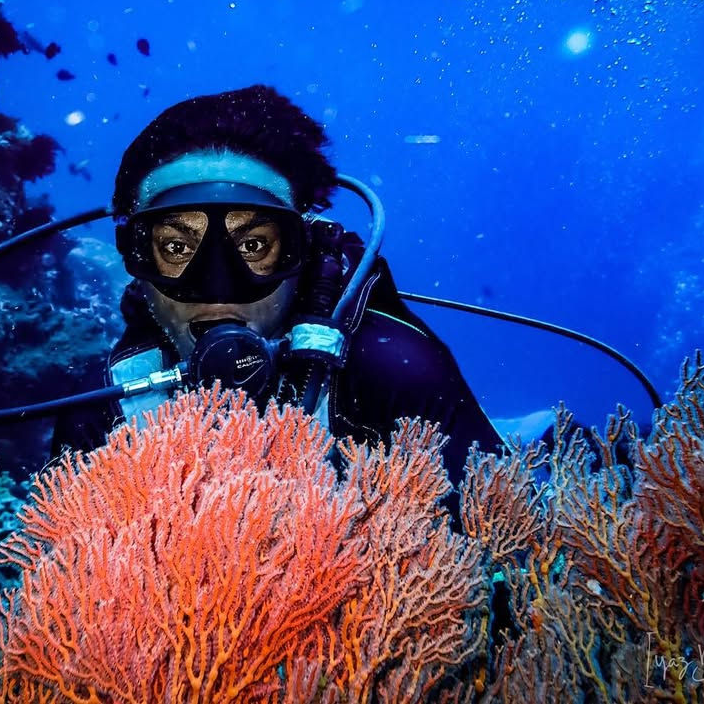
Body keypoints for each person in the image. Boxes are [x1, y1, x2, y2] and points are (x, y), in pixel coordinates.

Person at [52, 85, 500, 513]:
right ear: (135, 256)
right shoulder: (103, 409)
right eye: (176, 247)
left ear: (301, 253)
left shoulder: (395, 375)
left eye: (252, 246)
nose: (217, 287)